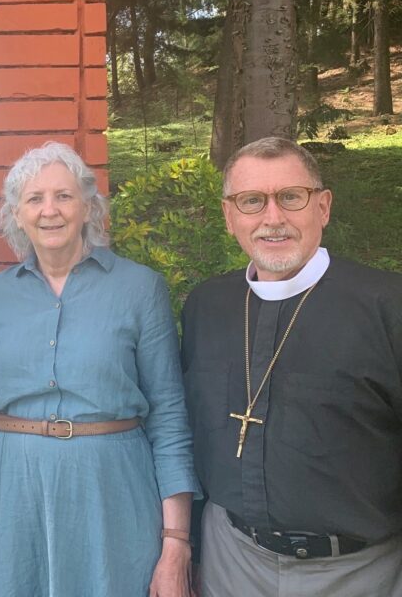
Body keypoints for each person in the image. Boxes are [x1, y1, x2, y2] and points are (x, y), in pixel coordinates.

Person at [0, 141, 200, 597]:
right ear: (17, 214)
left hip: (112, 492)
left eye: (63, 196)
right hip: (11, 496)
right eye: (35, 199)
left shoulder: (141, 289)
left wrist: (176, 542)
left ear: (88, 206)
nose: (50, 210)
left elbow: (168, 419)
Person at [181, 136, 402, 597]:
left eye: (290, 197)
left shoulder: (388, 306)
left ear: (323, 207)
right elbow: (190, 434)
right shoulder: (206, 306)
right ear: (229, 217)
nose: (272, 217)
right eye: (251, 201)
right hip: (232, 561)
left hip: (362, 571)